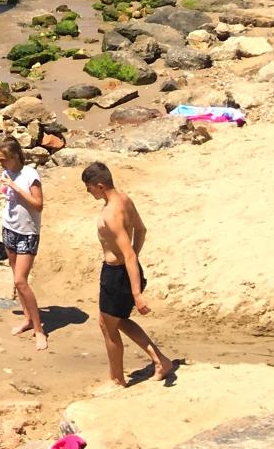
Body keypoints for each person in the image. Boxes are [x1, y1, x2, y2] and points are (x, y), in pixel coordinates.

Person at [80, 163, 174, 387]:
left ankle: (117, 380)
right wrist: (133, 258)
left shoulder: (111, 214)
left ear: (100, 186)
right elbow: (141, 230)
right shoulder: (124, 198)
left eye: (88, 187)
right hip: (123, 271)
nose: (87, 191)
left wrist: (137, 294)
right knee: (117, 320)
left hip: (116, 275)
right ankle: (161, 361)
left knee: (107, 326)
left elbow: (128, 253)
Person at [0, 136, 47, 351]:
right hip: (10, 228)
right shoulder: (7, 172)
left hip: (27, 233)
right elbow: (9, 194)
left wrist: (15, 187)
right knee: (16, 281)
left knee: (20, 281)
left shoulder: (30, 175)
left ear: (15, 156)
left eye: (3, 159)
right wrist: (3, 191)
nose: (0, 163)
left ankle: (39, 330)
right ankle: (27, 319)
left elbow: (38, 205)